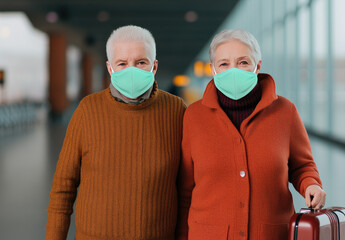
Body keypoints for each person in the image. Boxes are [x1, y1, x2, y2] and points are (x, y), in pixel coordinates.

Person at [176, 29, 326, 240]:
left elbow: (302, 166)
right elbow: (185, 191)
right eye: (224, 64)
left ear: (258, 66)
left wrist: (311, 183)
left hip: (272, 234)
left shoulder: (285, 111)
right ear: (213, 69)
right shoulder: (193, 116)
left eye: (243, 62)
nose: (234, 70)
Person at [46, 25, 186, 240]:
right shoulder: (87, 110)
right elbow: (63, 189)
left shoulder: (177, 111)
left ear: (154, 66)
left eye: (141, 62)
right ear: (110, 68)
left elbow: (186, 191)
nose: (132, 70)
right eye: (122, 63)